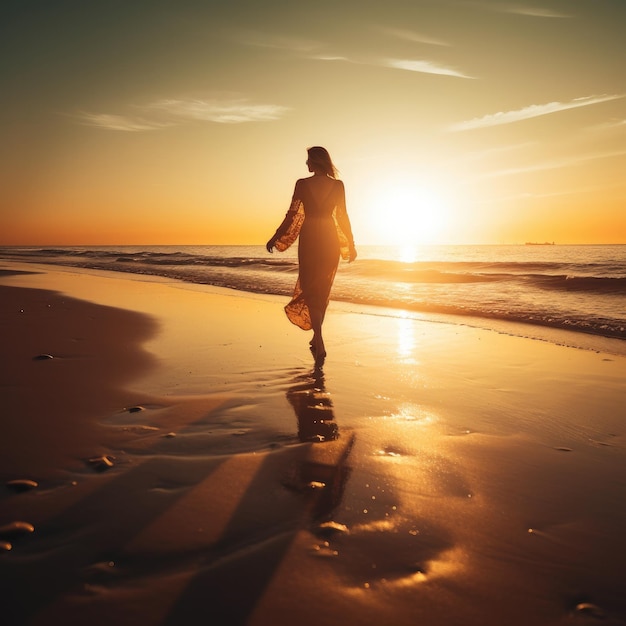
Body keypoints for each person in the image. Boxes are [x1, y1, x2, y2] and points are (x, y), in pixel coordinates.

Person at [266, 146, 357, 365]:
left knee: (311, 289)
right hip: (329, 238)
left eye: (308, 160)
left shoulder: (302, 184)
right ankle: (318, 340)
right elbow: (343, 217)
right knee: (322, 290)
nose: (306, 164)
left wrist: (276, 237)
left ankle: (319, 339)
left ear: (315, 162)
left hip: (310, 238)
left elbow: (293, 214)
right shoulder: (337, 186)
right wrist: (351, 244)